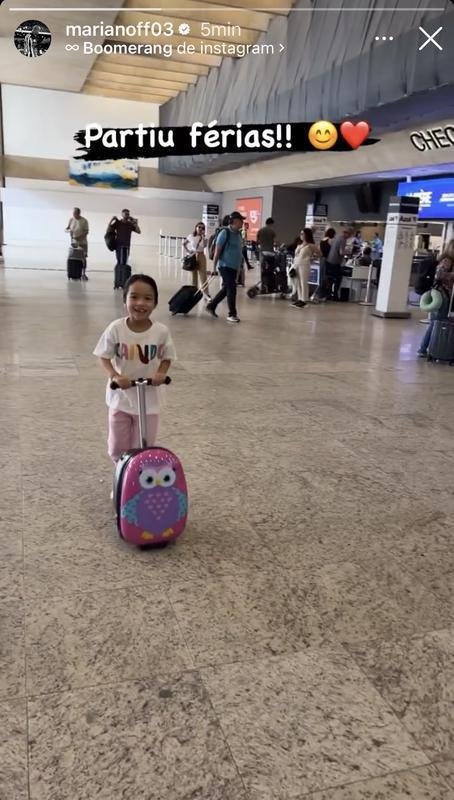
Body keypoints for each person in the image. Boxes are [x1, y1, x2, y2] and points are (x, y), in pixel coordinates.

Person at [93, 274, 176, 468]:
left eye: (148, 298)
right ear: (125, 300)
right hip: (120, 398)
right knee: (117, 447)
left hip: (150, 400)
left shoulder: (161, 331)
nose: (140, 303)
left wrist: (161, 374)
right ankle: (120, 475)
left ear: (155, 303)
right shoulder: (116, 329)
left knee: (143, 446)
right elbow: (103, 356)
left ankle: (138, 483)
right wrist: (114, 375)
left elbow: (167, 357)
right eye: (134, 297)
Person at [206, 211, 244, 323]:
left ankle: (211, 306)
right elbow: (217, 252)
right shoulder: (224, 232)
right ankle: (232, 314)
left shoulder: (238, 234)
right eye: (241, 221)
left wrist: (238, 270)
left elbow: (239, 252)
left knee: (227, 288)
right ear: (235, 221)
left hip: (234, 267)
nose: (242, 223)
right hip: (224, 265)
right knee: (231, 288)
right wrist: (214, 268)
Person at [418, 242, 454, 357]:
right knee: (437, 323)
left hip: (440, 295)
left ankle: (424, 349)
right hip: (442, 296)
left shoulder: (445, 259)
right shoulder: (447, 261)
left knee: (434, 323)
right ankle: (431, 349)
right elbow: (439, 275)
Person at [291, 228, 320, 308]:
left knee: (303, 282)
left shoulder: (310, 245)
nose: (301, 235)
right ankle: (300, 299)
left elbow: (319, 253)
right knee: (298, 282)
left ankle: (304, 300)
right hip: (296, 264)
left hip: (304, 265)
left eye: (303, 234)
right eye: (300, 234)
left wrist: (312, 258)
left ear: (307, 235)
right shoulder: (299, 244)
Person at [183, 222, 209, 300]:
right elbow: (184, 243)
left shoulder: (204, 237)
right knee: (194, 276)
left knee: (203, 275)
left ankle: (206, 293)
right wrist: (188, 251)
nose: (201, 229)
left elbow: (204, 246)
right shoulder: (191, 236)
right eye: (199, 227)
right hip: (193, 256)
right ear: (196, 227)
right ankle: (194, 292)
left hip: (201, 256)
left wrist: (203, 237)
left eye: (203, 228)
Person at [326, 226, 352, 301]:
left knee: (330, 279)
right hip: (335, 262)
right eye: (349, 235)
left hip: (329, 261)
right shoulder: (343, 239)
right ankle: (335, 295)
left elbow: (330, 243)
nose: (349, 237)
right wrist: (349, 252)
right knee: (338, 279)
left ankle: (329, 294)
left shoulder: (336, 237)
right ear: (347, 234)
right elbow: (341, 252)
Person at [65, 207, 89, 280]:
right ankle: (73, 272)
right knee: (72, 257)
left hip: (82, 243)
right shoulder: (71, 219)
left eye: (75, 213)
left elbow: (86, 231)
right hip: (74, 243)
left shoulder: (84, 221)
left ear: (79, 213)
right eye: (73, 213)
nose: (74, 215)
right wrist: (67, 229)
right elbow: (68, 227)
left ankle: (83, 273)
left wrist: (79, 237)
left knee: (83, 258)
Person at [314, 227, 336, 301]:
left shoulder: (322, 240)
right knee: (327, 277)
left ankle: (319, 293)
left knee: (321, 277)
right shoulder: (331, 240)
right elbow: (334, 251)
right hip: (328, 260)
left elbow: (319, 250)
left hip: (321, 259)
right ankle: (325, 294)